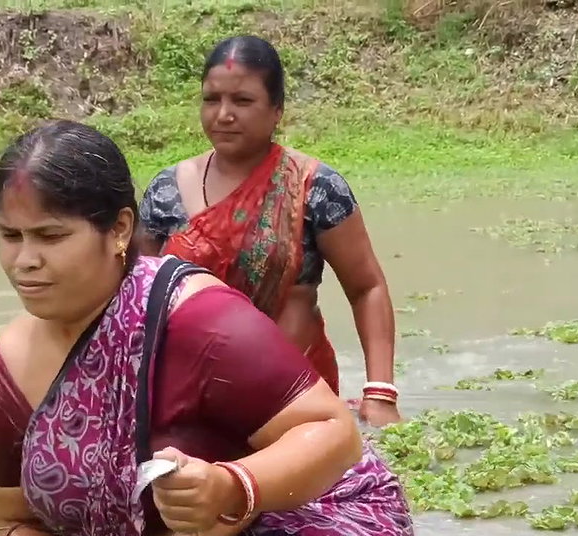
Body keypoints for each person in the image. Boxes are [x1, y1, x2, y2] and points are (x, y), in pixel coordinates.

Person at [0, 119, 477, 536]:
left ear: (118, 231)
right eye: (9, 236)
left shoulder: (197, 322)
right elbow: (15, 522)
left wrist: (231, 486)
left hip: (272, 535)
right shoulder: (2, 378)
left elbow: (335, 432)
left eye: (50, 236)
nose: (25, 261)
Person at [135, 35, 403, 428]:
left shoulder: (314, 188)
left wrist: (380, 393)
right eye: (212, 100)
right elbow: (137, 302)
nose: (223, 114)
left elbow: (367, 288)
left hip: (296, 403)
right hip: (189, 403)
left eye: (242, 101)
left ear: (276, 110)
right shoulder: (165, 191)